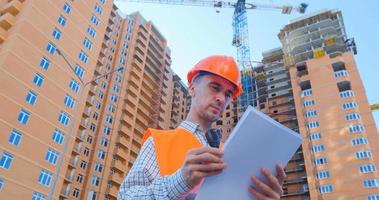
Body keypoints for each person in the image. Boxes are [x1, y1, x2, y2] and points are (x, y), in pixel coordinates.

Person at [118, 55, 286, 200]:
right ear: (192, 88)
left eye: (228, 94)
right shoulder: (160, 141)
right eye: (215, 87)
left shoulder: (229, 153)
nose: (221, 98)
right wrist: (180, 181)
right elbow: (126, 197)